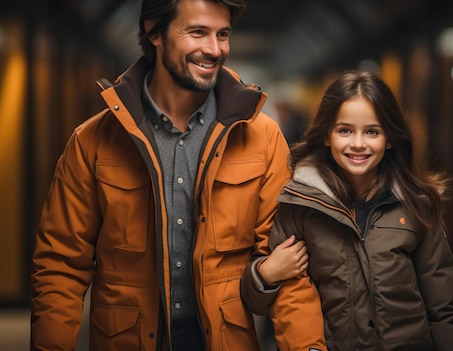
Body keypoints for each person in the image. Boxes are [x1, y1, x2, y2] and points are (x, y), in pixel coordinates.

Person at [30, 1, 297, 350]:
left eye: (223, 35)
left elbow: (291, 268)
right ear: (154, 31)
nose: (214, 49)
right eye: (198, 32)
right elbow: (61, 267)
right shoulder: (92, 142)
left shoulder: (263, 139)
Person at [241, 71, 453, 350]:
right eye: (345, 130)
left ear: (389, 138)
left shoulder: (416, 206)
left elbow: (445, 310)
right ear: (327, 136)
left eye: (372, 131)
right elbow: (260, 302)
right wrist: (264, 275)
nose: (358, 143)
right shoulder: (299, 205)